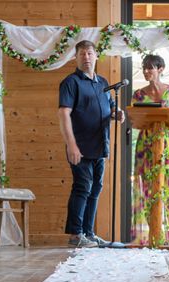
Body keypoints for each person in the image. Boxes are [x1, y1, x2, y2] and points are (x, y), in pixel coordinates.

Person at [58, 40, 124, 248]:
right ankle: (76, 235)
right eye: (81, 54)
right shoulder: (70, 83)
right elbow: (63, 114)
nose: (86, 57)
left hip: (100, 146)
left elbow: (109, 109)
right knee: (82, 187)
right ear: (76, 58)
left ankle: (89, 233)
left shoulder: (103, 83)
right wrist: (71, 145)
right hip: (80, 146)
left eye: (89, 53)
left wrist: (117, 114)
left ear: (96, 56)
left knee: (95, 189)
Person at [131, 54, 169, 246]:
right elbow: (135, 119)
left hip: (167, 144)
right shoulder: (138, 94)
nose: (146, 71)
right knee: (147, 189)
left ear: (160, 69)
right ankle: (152, 235)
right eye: (144, 68)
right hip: (145, 145)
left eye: (150, 68)